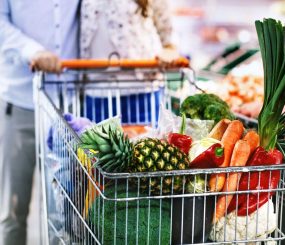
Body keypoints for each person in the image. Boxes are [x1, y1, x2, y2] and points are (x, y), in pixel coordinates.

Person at [0, 1, 80, 244]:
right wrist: (31, 50)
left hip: (67, 110)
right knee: (12, 211)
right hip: (19, 101)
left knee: (62, 215)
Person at [80, 0, 179, 123]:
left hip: (142, 91)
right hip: (97, 92)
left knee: (146, 141)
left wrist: (169, 50)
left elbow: (168, 31)